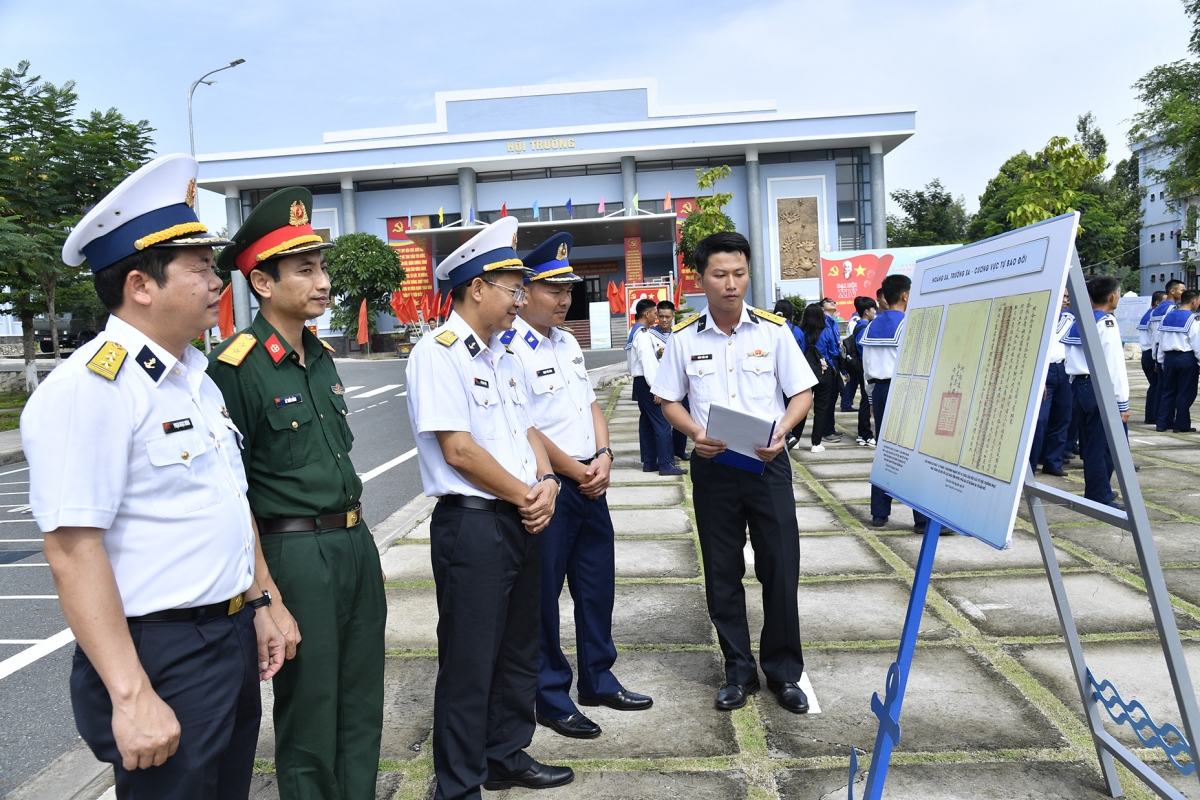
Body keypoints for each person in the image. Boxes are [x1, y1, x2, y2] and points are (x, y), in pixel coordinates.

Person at [22, 154, 286, 799]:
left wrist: (261, 599)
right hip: (159, 652)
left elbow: (227, 498)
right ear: (141, 285)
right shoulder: (92, 389)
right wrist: (132, 694)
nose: (218, 281)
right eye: (199, 268)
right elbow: (72, 550)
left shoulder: (194, 375)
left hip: (224, 637)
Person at [207, 187, 385, 800]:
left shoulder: (323, 358)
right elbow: (234, 491)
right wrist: (264, 596)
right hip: (295, 554)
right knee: (311, 707)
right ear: (261, 282)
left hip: (355, 541)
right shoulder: (236, 368)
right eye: (305, 269)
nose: (323, 281)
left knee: (362, 696)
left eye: (322, 267)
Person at [405, 216, 570, 799]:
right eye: (513, 287)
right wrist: (525, 493)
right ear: (477, 286)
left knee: (520, 647)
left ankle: (504, 753)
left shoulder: (505, 355)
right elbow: (460, 451)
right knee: (470, 662)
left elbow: (525, 429)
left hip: (524, 516)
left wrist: (546, 482)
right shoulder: (439, 353)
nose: (520, 298)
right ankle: (457, 782)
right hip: (473, 525)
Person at [652, 231, 817, 715]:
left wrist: (783, 430)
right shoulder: (683, 338)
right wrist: (695, 434)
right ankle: (738, 671)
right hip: (714, 467)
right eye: (720, 275)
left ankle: (785, 672)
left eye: (739, 274)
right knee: (722, 573)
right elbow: (668, 401)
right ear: (700, 278)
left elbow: (802, 391)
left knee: (780, 569)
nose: (731, 284)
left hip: (768, 465)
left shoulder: (773, 331)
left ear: (749, 274)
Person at [503, 233, 652, 742]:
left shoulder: (567, 341)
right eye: (553, 289)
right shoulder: (509, 348)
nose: (565, 298)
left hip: (593, 480)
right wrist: (574, 469)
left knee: (596, 585)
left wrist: (605, 455)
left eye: (569, 289)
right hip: (553, 488)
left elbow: (592, 405)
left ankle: (599, 678)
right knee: (544, 597)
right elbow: (526, 426)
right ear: (523, 292)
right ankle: (550, 695)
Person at [861, 274, 932, 533]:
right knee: (911, 452)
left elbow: (867, 368)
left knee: (884, 450)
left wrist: (870, 397)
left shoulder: (871, 326)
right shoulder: (909, 325)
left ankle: (879, 513)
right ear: (905, 295)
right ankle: (923, 520)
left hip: (879, 389)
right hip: (904, 389)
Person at [1063, 276, 1130, 508]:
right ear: (1112, 297)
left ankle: (1098, 489)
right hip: (1100, 387)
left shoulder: (1079, 321)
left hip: (1080, 387)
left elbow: (1069, 358)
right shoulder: (1107, 322)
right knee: (1105, 445)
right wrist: (1122, 403)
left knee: (1091, 442)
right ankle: (1098, 494)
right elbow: (1114, 366)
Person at [628, 299, 685, 476]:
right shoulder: (643, 334)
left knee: (646, 423)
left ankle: (649, 461)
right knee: (662, 422)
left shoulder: (635, 331)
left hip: (640, 382)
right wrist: (656, 388)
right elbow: (648, 364)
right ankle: (666, 463)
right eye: (655, 313)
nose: (656, 317)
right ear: (647, 314)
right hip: (647, 384)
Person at [1029, 290, 1075, 477]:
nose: (1064, 300)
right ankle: (1030, 465)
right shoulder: (1040, 316)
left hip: (1063, 370)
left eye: (1066, 297)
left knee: (1062, 418)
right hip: (1044, 370)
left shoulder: (1070, 319)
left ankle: (1053, 461)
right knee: (1040, 420)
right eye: (1061, 296)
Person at [792, 304, 840, 453]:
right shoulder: (827, 331)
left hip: (805, 372)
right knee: (821, 407)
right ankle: (816, 443)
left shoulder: (800, 331)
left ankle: (796, 439)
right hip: (824, 372)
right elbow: (833, 351)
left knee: (802, 406)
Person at [1155, 289, 1200, 433]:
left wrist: (1160, 361)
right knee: (1185, 392)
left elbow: (1160, 341)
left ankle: (1162, 423)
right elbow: (1196, 343)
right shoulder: (1192, 319)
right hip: (1186, 358)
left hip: (1169, 358)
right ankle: (1181, 425)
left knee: (1168, 391)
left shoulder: (1166, 317)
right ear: (1193, 301)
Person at [654, 299, 691, 461]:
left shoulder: (681, 334)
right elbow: (648, 363)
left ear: (673, 316)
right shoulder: (650, 335)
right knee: (663, 422)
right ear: (657, 315)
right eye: (661, 316)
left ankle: (679, 450)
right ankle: (665, 455)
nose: (664, 320)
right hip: (662, 384)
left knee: (684, 417)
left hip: (681, 382)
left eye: (667, 317)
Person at [847, 297, 878, 446]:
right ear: (867, 312)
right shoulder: (864, 328)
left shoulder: (860, 326)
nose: (875, 312)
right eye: (873, 309)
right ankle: (865, 434)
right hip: (864, 368)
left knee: (866, 401)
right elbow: (863, 349)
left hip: (861, 368)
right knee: (866, 402)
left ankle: (862, 434)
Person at [1138, 290, 1167, 424]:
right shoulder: (1154, 316)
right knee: (1156, 386)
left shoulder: (1147, 314)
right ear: (1157, 302)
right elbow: (1156, 338)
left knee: (1154, 386)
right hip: (1151, 353)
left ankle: (1151, 415)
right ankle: (1153, 416)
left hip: (1146, 354)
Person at [819, 297, 843, 438]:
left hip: (835, 361)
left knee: (834, 397)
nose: (833, 302)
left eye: (834, 301)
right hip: (827, 362)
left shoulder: (833, 321)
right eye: (829, 301)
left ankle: (830, 428)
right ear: (822, 308)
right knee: (827, 399)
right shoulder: (823, 322)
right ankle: (825, 431)